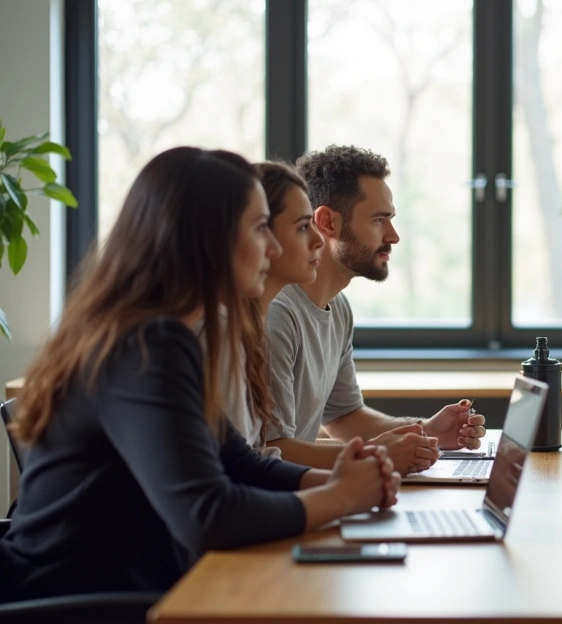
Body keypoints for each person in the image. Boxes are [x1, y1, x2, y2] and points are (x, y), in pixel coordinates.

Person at [0, 148, 399, 601]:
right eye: (257, 229)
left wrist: (342, 481)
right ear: (206, 239)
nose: (272, 247)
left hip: (128, 587)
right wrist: (341, 498)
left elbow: (237, 462)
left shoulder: (171, 337)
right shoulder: (146, 345)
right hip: (71, 602)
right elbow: (209, 515)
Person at [265, 145, 485, 473]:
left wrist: (427, 430)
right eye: (379, 220)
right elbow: (270, 451)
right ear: (326, 222)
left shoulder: (338, 309)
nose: (393, 236)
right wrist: (378, 456)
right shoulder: (277, 315)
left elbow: (344, 417)